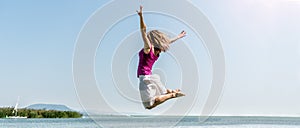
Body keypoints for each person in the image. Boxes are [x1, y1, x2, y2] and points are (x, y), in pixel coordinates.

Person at [136, 5, 186, 109]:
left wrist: (141, 16)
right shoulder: (155, 52)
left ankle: (172, 94)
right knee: (159, 95)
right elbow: (168, 42)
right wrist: (179, 36)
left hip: (144, 78)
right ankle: (172, 92)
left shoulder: (148, 49)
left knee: (149, 105)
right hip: (149, 77)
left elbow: (143, 31)